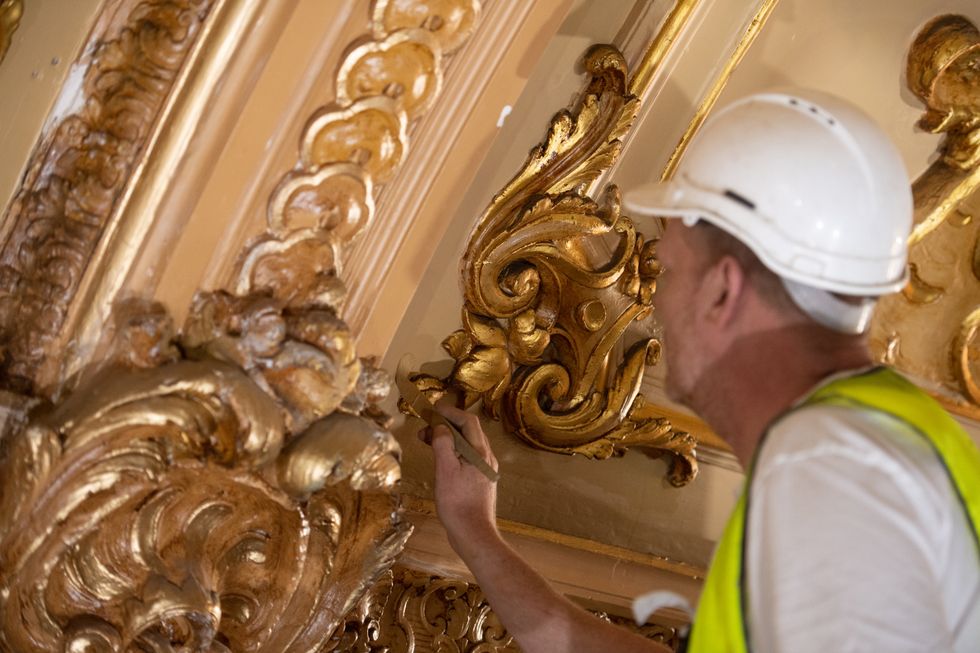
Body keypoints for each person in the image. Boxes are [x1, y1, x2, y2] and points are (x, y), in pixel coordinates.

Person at [420, 89, 980, 652]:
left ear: (722, 290)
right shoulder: (874, 443)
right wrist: (476, 532)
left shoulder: (830, 474)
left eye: (668, 269)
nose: (655, 302)